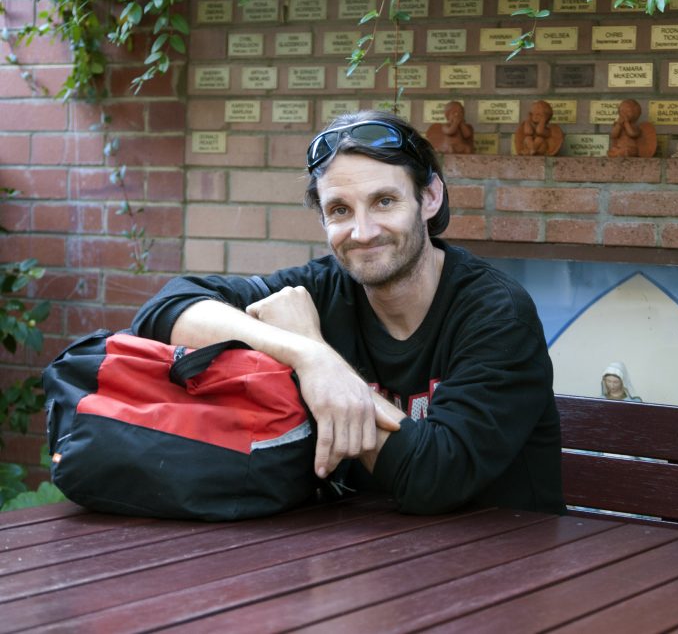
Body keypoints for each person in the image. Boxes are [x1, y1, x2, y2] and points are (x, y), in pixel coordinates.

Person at [131, 110, 565, 515]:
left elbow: (436, 475)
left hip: (508, 563)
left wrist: (325, 363)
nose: (362, 232)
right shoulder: (320, 290)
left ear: (429, 198)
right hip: (361, 556)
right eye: (340, 210)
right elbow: (165, 311)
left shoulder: (496, 313)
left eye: (384, 202)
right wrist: (308, 357)